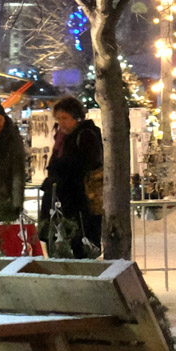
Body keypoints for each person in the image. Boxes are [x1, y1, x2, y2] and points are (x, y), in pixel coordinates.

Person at [39, 97, 103, 258]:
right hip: (63, 202)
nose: (61, 123)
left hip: (80, 204)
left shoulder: (86, 135)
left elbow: (86, 165)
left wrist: (59, 170)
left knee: (80, 247)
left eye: (65, 118)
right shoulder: (61, 138)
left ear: (76, 117)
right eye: (58, 118)